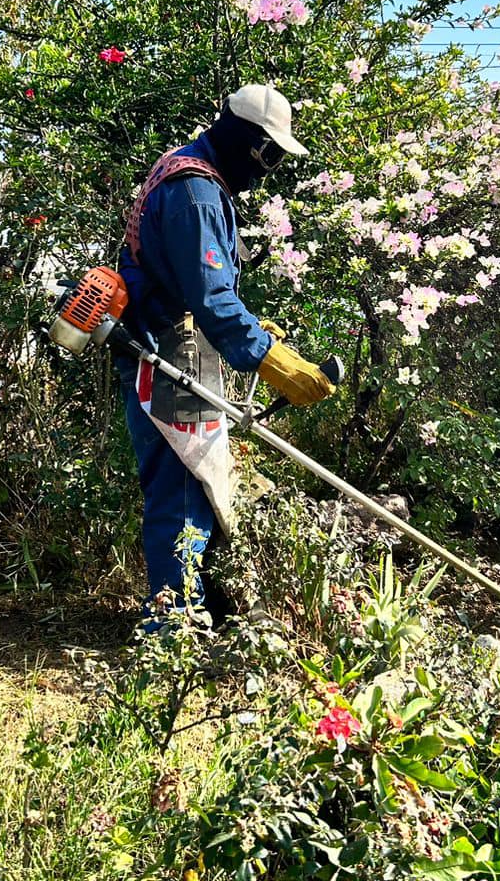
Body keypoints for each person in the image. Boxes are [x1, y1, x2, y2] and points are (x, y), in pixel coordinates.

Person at [115, 83, 336, 627]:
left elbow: (193, 283)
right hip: (168, 353)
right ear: (250, 142)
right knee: (186, 484)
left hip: (163, 341)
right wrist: (276, 361)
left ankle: (194, 601)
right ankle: (173, 623)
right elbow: (212, 302)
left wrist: (250, 326)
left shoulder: (184, 167)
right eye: (271, 154)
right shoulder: (196, 192)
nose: (270, 168)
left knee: (195, 481)